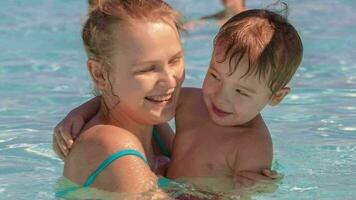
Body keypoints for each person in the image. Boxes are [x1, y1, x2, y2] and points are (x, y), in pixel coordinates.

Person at [54, 0, 185, 198]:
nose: (169, 81)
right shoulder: (111, 145)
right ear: (99, 74)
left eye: (175, 60)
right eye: (147, 69)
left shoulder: (152, 126)